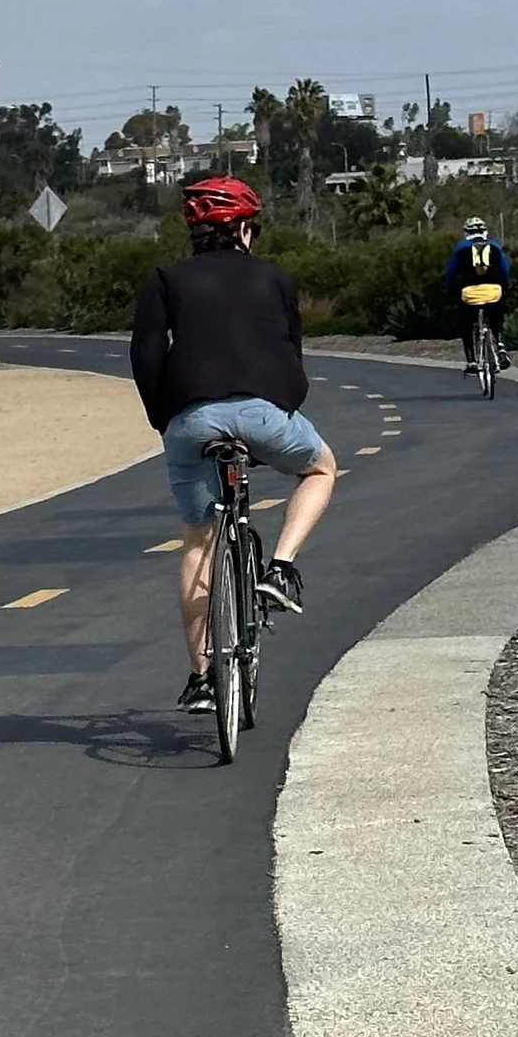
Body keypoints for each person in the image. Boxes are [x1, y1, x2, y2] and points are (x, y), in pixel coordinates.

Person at [129, 172, 336, 713]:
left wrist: (164, 420)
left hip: (191, 419)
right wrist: (285, 403)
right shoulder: (274, 277)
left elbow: (145, 355)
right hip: (264, 412)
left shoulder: (166, 279)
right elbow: (292, 350)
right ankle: (281, 568)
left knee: (199, 541)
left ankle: (201, 677)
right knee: (320, 469)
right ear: (244, 229)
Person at [444, 217, 511, 370]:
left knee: (466, 324)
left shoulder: (460, 248)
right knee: (496, 319)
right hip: (493, 291)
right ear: (484, 231)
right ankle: (501, 345)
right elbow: (505, 269)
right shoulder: (494, 246)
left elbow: (451, 273)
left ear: (466, 233)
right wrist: (505, 285)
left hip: (470, 294)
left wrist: (451, 289)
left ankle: (472, 360)